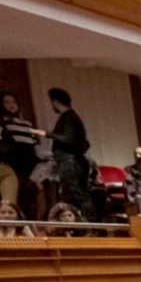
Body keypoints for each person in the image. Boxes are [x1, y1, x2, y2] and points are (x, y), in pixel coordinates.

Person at [44, 88, 93, 220]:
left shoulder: (70, 118)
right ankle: (77, 226)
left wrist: (48, 134)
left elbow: (71, 139)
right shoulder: (71, 118)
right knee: (70, 196)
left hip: (70, 162)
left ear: (56, 102)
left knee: (78, 194)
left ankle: (90, 225)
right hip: (70, 161)